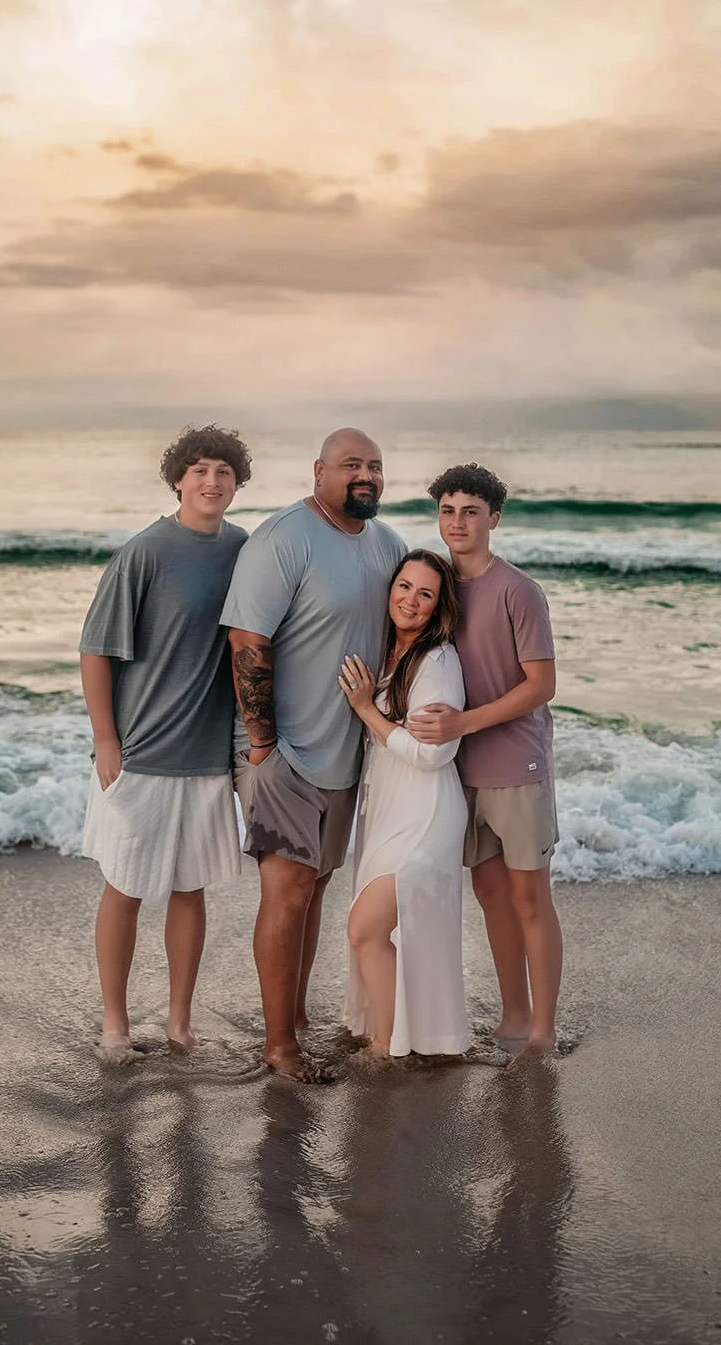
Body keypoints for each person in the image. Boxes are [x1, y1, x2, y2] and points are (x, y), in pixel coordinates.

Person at [221, 428, 406, 1082]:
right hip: (285, 753)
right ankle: (279, 1048)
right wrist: (264, 746)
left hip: (347, 754)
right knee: (287, 891)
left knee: (316, 887)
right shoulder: (284, 538)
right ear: (319, 471)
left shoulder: (387, 544)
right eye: (351, 464)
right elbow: (247, 639)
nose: (366, 475)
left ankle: (293, 1018)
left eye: (375, 466)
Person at [79, 424, 252, 1063]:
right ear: (178, 478)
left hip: (208, 757)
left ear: (238, 485)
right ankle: (115, 1024)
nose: (212, 482)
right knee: (125, 887)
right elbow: (95, 648)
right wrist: (106, 739)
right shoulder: (145, 552)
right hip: (143, 752)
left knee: (189, 889)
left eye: (225, 473)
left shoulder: (244, 550)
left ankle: (180, 1024)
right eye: (201, 469)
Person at [408, 464, 561, 1055]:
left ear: (494, 519)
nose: (457, 522)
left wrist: (463, 723)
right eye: (448, 510)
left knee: (530, 899)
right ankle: (513, 1016)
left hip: (516, 770)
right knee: (491, 897)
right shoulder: (439, 586)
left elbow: (540, 684)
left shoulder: (518, 590)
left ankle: (543, 1030)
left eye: (470, 511)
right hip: (460, 773)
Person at [339, 550, 470, 1060]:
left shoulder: (438, 660)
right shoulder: (388, 651)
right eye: (404, 586)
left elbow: (432, 752)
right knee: (376, 931)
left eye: (425, 594)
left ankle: (385, 1046)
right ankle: (404, 1036)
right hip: (393, 813)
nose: (410, 600)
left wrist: (367, 710)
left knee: (365, 927)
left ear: (439, 607)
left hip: (427, 814)